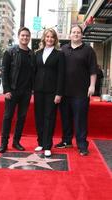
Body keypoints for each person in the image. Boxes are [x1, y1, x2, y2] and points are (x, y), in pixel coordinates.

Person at [55, 24, 97, 156]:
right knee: (66, 118)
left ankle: (82, 145)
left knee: (80, 119)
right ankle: (67, 141)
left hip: (81, 92)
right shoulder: (63, 49)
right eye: (73, 32)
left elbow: (93, 70)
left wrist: (92, 86)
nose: (76, 34)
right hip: (65, 92)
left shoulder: (89, 50)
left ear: (82, 35)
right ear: (69, 35)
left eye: (78, 32)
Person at [0, 27, 34, 153]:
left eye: (27, 36)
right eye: (23, 35)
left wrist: (31, 89)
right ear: (19, 36)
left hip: (26, 92)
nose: (25, 38)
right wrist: (6, 90)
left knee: (22, 117)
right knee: (7, 117)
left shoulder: (31, 54)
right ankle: (3, 143)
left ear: (29, 38)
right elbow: (4, 72)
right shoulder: (10, 52)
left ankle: (16, 142)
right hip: (12, 91)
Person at [34, 28, 65, 157]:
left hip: (52, 92)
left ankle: (47, 145)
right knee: (39, 117)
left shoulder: (59, 54)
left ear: (55, 39)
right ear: (44, 38)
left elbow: (61, 75)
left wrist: (59, 93)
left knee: (49, 117)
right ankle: (40, 142)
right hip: (38, 90)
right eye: (47, 37)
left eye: (52, 37)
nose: (49, 39)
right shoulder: (37, 53)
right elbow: (34, 71)